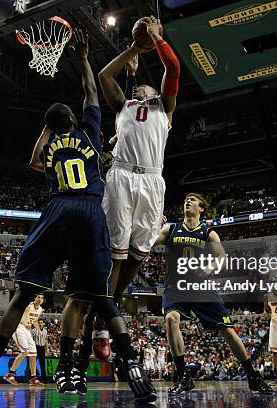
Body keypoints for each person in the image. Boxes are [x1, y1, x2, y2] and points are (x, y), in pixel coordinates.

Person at [0, 29, 155, 404]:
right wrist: (83, 56)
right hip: (89, 209)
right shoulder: (89, 132)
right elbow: (90, 91)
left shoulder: (51, 146)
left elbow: (33, 161)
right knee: (102, 296)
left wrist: (46, 128)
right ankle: (133, 367)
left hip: (56, 210)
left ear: (52, 127)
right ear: (74, 118)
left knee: (23, 295)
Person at [75, 14, 180, 388]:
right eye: (142, 86)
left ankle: (108, 305)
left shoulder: (165, 110)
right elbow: (105, 77)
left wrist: (156, 40)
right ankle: (104, 309)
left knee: (139, 254)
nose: (144, 89)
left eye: (149, 87)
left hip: (152, 182)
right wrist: (134, 48)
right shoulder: (122, 104)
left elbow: (173, 67)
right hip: (121, 175)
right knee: (116, 252)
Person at [153, 193, 273, 395]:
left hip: (201, 287)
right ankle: (183, 376)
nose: (187, 201)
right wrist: (153, 226)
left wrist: (210, 267)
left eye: (192, 200)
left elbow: (221, 257)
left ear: (201, 208)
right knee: (171, 320)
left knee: (227, 329)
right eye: (185, 199)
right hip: (175, 287)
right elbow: (149, 243)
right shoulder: (171, 228)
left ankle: (253, 376)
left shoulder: (208, 232)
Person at [2, 293, 44, 385]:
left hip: (27, 330)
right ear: (34, 298)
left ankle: (33, 378)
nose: (40, 299)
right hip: (18, 326)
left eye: (42, 298)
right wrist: (25, 324)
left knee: (33, 354)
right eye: (38, 297)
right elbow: (20, 315)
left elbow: (35, 321)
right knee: (25, 351)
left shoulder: (40, 309)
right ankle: (10, 374)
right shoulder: (29, 306)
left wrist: (39, 331)